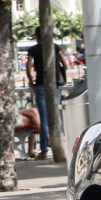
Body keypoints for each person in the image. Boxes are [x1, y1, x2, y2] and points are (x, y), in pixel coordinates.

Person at [24, 28, 67, 159]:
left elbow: (28, 68)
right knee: (57, 117)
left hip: (41, 85)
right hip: (54, 85)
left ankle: (44, 151)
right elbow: (65, 64)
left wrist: (32, 82)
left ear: (37, 36)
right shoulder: (54, 47)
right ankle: (62, 146)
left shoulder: (33, 49)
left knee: (43, 119)